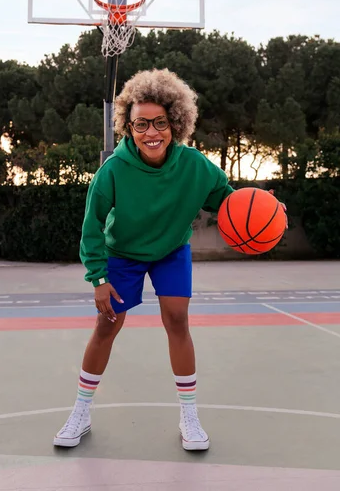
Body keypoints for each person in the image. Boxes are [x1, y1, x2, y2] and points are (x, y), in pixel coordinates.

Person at [53, 67, 237, 451]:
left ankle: (189, 416)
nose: (151, 133)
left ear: (176, 123)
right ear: (128, 128)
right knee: (107, 327)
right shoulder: (114, 170)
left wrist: (265, 208)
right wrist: (98, 278)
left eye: (160, 123)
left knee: (177, 320)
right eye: (141, 125)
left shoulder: (195, 165)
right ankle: (80, 412)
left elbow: (231, 202)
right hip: (122, 254)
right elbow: (91, 228)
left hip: (171, 250)